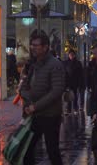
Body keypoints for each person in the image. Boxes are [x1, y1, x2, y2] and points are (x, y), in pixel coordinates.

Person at [19, 29, 65, 165]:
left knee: (52, 151)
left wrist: (35, 106)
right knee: (26, 149)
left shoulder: (55, 65)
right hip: (33, 115)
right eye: (32, 44)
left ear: (45, 47)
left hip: (49, 115)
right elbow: (25, 86)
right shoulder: (33, 64)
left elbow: (56, 91)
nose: (33, 48)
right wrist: (26, 100)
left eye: (36, 45)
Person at [63, 50, 83, 115]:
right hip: (68, 82)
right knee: (68, 96)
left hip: (75, 82)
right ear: (68, 55)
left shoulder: (78, 63)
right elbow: (64, 73)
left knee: (75, 96)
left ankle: (75, 108)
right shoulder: (65, 63)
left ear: (74, 55)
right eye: (70, 54)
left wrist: (80, 83)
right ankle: (68, 110)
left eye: (72, 54)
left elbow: (80, 74)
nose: (71, 56)